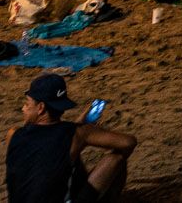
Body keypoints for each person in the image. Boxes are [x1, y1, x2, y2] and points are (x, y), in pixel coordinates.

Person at [7, 73, 137, 202]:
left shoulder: (13, 134)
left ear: (41, 108)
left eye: (27, 104)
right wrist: (89, 131)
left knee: (67, 157)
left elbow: (45, 143)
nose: (23, 108)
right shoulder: (76, 134)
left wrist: (78, 130)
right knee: (116, 158)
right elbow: (129, 142)